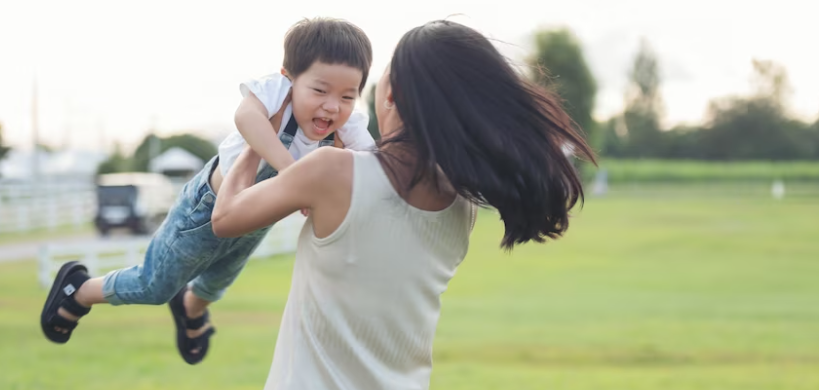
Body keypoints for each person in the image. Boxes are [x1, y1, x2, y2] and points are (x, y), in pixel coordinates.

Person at [210, 19, 597, 390]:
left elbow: (224, 219)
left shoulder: (332, 171)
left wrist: (258, 140)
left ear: (390, 93)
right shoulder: (463, 205)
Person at [39, 17, 375, 365]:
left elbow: (372, 162)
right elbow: (247, 118)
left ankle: (190, 310)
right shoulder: (278, 94)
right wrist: (293, 174)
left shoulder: (347, 123)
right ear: (289, 78)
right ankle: (77, 290)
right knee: (154, 285)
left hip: (255, 219)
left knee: (216, 284)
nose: (333, 105)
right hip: (206, 208)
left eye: (347, 96)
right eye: (320, 90)